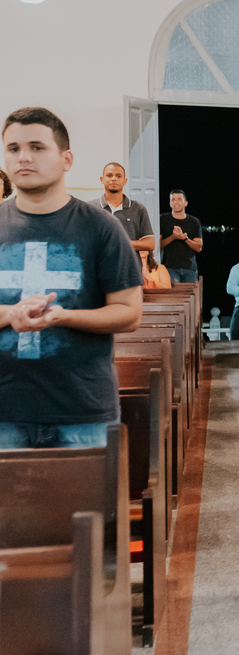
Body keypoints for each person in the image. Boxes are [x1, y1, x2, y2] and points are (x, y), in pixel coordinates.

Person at [0, 105, 144, 445]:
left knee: (87, 501)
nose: (24, 158)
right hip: (4, 408)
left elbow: (129, 311)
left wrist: (63, 316)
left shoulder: (101, 228)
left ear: (66, 159)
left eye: (37, 147)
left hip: (82, 409)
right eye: (13, 149)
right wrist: (11, 314)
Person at [89, 162, 155, 253]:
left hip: (128, 266)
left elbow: (150, 243)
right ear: (102, 179)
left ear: (125, 181)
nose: (114, 179)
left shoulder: (138, 208)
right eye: (109, 175)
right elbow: (82, 240)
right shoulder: (90, 208)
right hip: (99, 266)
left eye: (118, 176)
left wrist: (123, 242)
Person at [159, 189, 203, 283]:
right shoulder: (162, 219)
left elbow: (199, 247)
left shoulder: (194, 221)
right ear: (170, 203)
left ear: (185, 203)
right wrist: (173, 237)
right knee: (173, 296)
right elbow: (157, 245)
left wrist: (185, 239)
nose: (176, 202)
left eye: (179, 199)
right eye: (173, 200)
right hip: (169, 268)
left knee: (190, 297)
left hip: (189, 269)